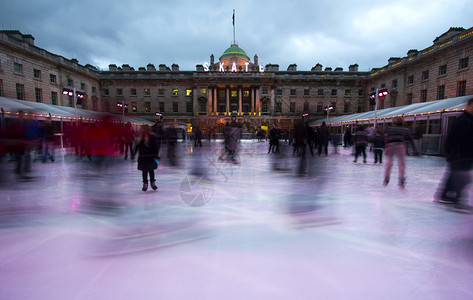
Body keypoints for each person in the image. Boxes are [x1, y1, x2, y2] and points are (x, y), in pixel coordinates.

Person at [435, 98, 473, 211]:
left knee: (453, 175)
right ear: (469, 106)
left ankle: (445, 195)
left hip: (462, 154)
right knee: (463, 178)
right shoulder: (464, 120)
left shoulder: (467, 119)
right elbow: (455, 137)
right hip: (460, 154)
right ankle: (457, 199)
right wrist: (454, 152)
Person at [383, 117, 418, 188]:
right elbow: (410, 139)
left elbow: (385, 138)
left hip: (390, 145)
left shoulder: (390, 129)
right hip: (400, 145)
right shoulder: (405, 129)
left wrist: (385, 146)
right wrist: (415, 150)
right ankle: (401, 179)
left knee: (389, 162)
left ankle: (386, 177)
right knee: (401, 163)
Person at [133, 126, 159, 191]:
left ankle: (152, 183)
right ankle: (145, 183)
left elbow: (156, 146)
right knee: (144, 171)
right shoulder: (140, 138)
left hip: (150, 156)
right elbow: (137, 147)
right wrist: (134, 153)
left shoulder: (152, 137)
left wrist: (156, 154)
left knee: (151, 170)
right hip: (143, 156)